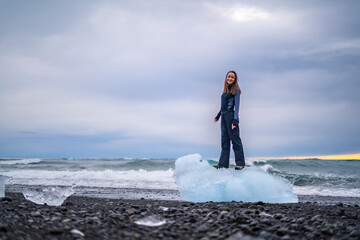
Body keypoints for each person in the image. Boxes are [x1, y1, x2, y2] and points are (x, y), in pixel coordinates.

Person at [213, 70, 245, 170]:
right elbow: (223, 106)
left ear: (235, 79)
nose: (230, 78)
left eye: (232, 77)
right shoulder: (225, 91)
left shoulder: (236, 90)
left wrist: (235, 121)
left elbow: (237, 107)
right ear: (226, 78)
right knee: (224, 141)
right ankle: (223, 164)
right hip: (223, 117)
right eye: (228, 76)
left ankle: (240, 163)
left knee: (235, 141)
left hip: (231, 117)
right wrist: (218, 116)